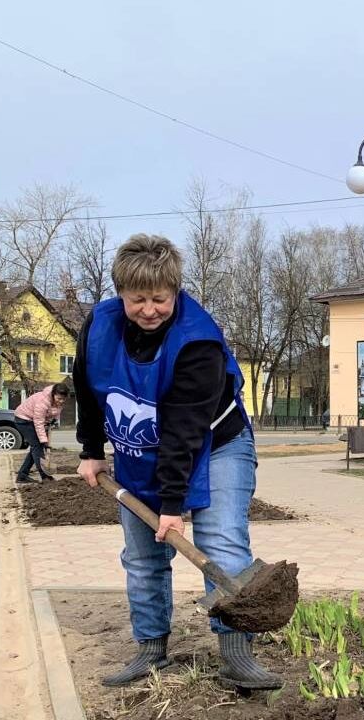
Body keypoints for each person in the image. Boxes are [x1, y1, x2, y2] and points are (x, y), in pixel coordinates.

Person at [73, 233, 281, 690]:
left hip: (215, 443)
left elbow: (184, 431)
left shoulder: (197, 340)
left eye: (160, 299)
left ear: (176, 291)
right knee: (143, 555)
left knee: (221, 541)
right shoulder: (100, 326)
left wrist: (172, 506)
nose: (149, 310)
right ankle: (151, 649)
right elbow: (88, 390)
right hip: (139, 448)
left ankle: (235, 654)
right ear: (120, 293)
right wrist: (90, 451)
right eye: (137, 299)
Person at [13, 383, 69, 483]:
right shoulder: (43, 401)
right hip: (23, 419)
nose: (61, 401)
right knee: (37, 446)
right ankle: (45, 476)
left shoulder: (58, 401)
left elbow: (55, 412)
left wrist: (53, 420)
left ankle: (22, 476)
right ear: (53, 394)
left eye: (63, 399)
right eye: (59, 398)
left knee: (35, 448)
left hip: (34, 420)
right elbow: (38, 422)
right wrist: (44, 440)